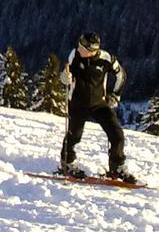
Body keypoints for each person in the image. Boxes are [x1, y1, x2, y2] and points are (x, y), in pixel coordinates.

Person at [58, 31, 135, 183]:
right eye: (79, 45)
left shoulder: (106, 59)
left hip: (99, 104)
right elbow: (67, 74)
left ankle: (117, 167)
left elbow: (121, 75)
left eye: (83, 47)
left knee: (117, 134)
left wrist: (115, 95)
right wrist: (64, 78)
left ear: (92, 50)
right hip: (77, 103)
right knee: (74, 135)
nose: (79, 48)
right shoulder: (75, 55)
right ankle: (67, 162)